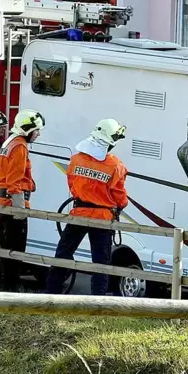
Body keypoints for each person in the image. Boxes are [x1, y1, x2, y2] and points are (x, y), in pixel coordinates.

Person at [47, 119, 128, 296]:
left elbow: (71, 184)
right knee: (101, 262)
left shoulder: (76, 160)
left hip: (79, 213)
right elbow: (120, 195)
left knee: (63, 253)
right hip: (102, 219)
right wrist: (119, 206)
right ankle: (98, 302)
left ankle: (51, 293)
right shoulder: (115, 165)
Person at [0, 109, 45, 291]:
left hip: (4, 203)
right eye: (37, 130)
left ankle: (3, 286)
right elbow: (15, 182)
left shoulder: (10, 142)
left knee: (6, 248)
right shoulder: (20, 146)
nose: (38, 134)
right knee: (16, 250)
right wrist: (20, 210)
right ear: (27, 129)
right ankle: (11, 289)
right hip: (13, 204)